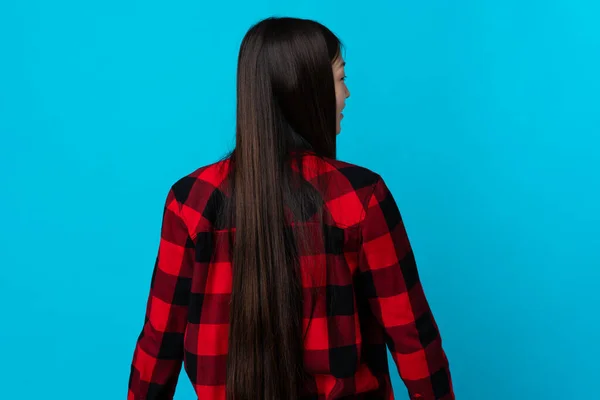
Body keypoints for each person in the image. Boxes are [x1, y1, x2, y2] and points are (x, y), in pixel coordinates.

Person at [128, 16, 454, 400]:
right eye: (340, 79)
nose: (347, 94)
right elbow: (413, 339)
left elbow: (158, 346)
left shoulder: (190, 200)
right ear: (306, 88)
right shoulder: (360, 197)